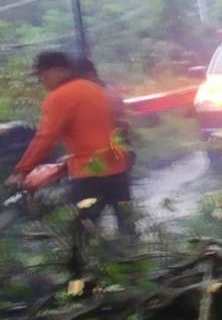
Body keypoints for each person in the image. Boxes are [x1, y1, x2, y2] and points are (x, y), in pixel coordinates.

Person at [4, 52, 136, 274]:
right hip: (117, 167)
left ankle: (85, 281)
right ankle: (135, 267)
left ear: (57, 70)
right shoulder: (94, 89)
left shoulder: (59, 97)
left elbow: (45, 137)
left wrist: (21, 171)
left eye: (42, 75)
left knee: (81, 232)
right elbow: (108, 128)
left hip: (90, 174)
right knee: (126, 223)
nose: (42, 81)